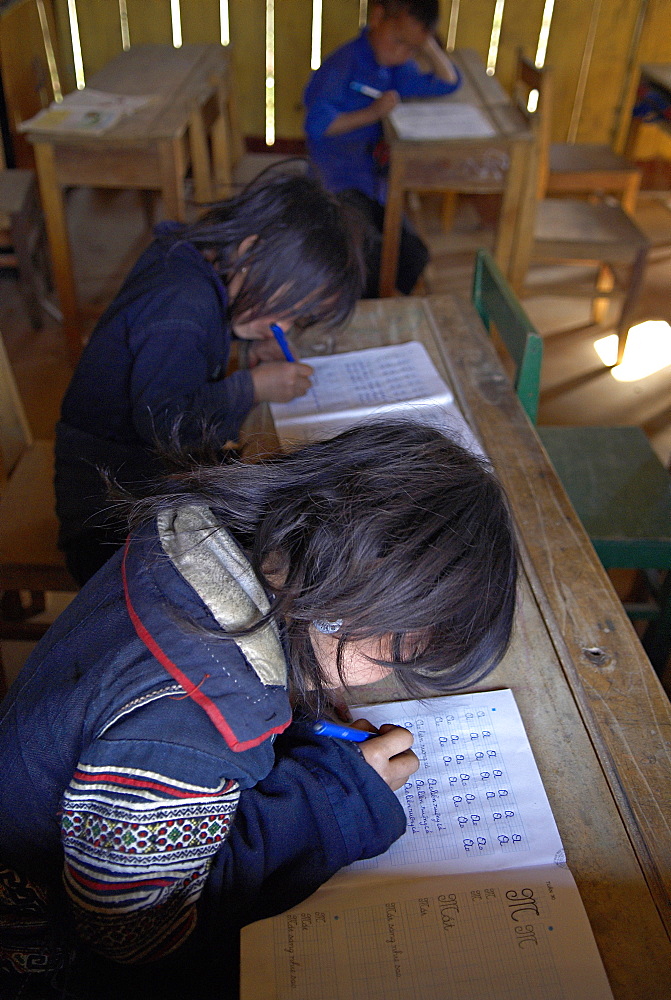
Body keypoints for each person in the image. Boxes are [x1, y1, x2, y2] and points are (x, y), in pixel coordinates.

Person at [0, 421, 518, 1000]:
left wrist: (295, 697)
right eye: (393, 660)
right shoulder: (194, 722)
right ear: (341, 613)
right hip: (38, 948)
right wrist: (341, 794)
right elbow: (134, 932)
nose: (386, 678)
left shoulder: (199, 538)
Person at [54, 172, 364, 587]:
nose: (285, 328)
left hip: (133, 479)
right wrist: (253, 387)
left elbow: (189, 353)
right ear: (251, 252)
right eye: (286, 309)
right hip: (107, 522)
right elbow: (169, 425)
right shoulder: (180, 305)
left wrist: (244, 344)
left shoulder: (191, 257)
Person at [303, 0, 461, 297]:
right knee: (366, 258)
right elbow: (317, 126)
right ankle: (356, 311)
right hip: (336, 181)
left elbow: (447, 83)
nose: (403, 53)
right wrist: (373, 113)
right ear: (377, 18)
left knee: (414, 255)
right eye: (399, 41)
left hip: (374, 183)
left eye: (412, 48)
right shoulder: (344, 64)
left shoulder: (395, 67)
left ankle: (381, 303)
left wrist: (426, 45)